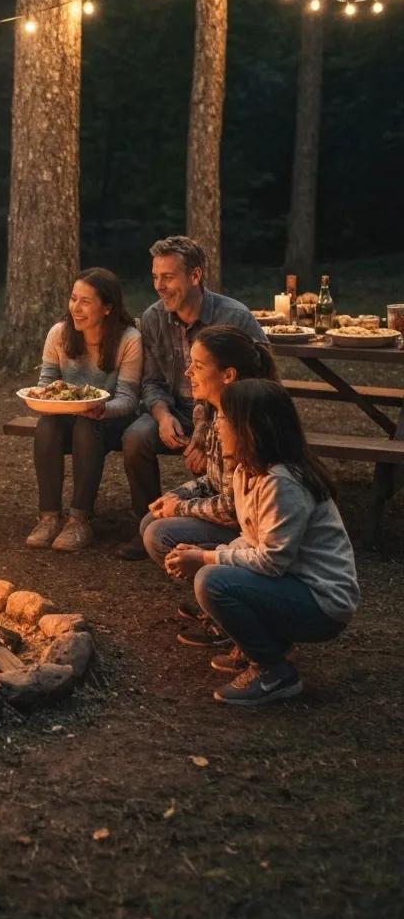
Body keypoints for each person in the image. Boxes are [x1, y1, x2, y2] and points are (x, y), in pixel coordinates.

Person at [164, 379, 360, 706]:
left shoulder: (282, 482)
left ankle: (274, 673)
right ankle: (271, 647)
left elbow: (271, 561)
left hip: (323, 603)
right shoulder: (247, 471)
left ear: (251, 429)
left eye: (225, 420)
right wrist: (209, 553)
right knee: (211, 566)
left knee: (211, 581)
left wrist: (206, 559)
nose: (217, 427)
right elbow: (252, 540)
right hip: (294, 583)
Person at [116, 235, 267, 560]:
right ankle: (147, 517)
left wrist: (204, 431)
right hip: (176, 410)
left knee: (219, 468)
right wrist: (162, 416)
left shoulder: (234, 316)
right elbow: (152, 381)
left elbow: (258, 385)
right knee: (136, 437)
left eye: (168, 277)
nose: (159, 286)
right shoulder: (154, 318)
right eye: (155, 277)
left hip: (225, 413)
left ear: (195, 275)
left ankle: (229, 535)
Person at [141, 325, 280, 646]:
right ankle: (221, 604)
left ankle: (232, 611)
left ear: (228, 375)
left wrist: (181, 509)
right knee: (151, 521)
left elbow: (233, 506)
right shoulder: (219, 412)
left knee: (160, 534)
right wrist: (177, 495)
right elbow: (216, 479)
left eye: (198, 366)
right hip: (240, 524)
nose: (188, 372)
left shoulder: (242, 423)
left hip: (251, 531)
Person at [26, 268, 142, 552]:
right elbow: (46, 386)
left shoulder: (128, 339)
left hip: (112, 419)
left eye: (85, 302)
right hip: (69, 417)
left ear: (107, 308)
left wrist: (101, 409)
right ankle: (49, 517)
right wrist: (46, 400)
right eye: (73, 298)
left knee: (87, 426)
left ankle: (79, 519)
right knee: (47, 426)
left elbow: (128, 399)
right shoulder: (59, 334)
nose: (75, 308)